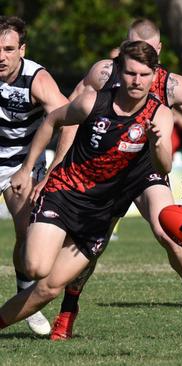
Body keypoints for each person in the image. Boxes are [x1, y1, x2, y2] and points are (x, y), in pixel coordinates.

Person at [35, 18, 182, 340]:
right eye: (130, 48)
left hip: (145, 171)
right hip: (102, 175)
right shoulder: (103, 73)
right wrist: (55, 169)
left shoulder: (173, 85)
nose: (137, 56)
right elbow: (71, 118)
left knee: (166, 226)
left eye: (146, 51)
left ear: (158, 51)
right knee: (88, 248)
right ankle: (67, 312)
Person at [0, 40, 173, 332]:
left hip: (99, 214)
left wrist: (157, 144)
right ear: (119, 71)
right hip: (64, 194)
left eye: (144, 75)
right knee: (36, 269)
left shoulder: (160, 115)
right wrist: (27, 169)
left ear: (155, 74)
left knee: (49, 289)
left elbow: (164, 167)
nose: (137, 81)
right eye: (130, 73)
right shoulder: (93, 101)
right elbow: (52, 121)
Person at [0, 15, 73, 335]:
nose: (1, 56)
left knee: (27, 238)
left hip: (20, 165)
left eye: (8, 49)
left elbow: (70, 120)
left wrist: (52, 171)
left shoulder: (37, 80)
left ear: (22, 50)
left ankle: (22, 298)